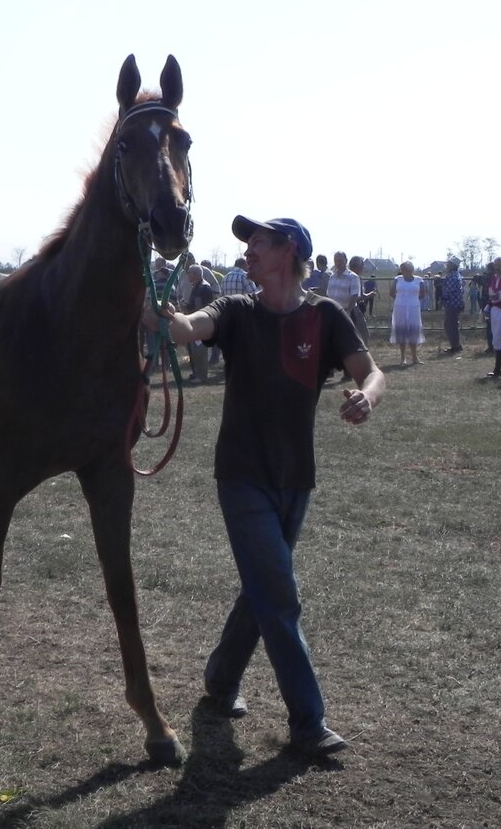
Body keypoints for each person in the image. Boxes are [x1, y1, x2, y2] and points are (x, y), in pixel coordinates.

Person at [146, 214, 384, 757]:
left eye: (259, 241)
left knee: (262, 589)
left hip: (296, 477)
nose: (248, 249)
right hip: (242, 475)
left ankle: (220, 682)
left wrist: (367, 396)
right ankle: (308, 723)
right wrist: (165, 316)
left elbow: (370, 371)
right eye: (247, 241)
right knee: (278, 593)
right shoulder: (236, 309)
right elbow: (190, 327)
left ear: (289, 251)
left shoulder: (325, 316)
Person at [389, 261, 425, 366]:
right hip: (400, 307)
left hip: (414, 307)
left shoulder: (419, 280)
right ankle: (403, 358)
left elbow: (422, 294)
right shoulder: (397, 279)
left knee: (413, 330)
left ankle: (415, 357)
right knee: (402, 331)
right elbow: (391, 292)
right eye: (402, 269)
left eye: (405, 269)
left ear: (410, 269)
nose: (403, 271)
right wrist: (401, 299)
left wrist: (413, 300)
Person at [183, 264, 214, 383]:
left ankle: (202, 376)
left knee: (200, 349)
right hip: (195, 321)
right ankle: (197, 373)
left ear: (195, 274)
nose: (188, 275)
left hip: (201, 322)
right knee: (194, 349)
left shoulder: (204, 287)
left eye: (189, 273)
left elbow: (203, 307)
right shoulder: (196, 286)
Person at [440, 255, 465, 353]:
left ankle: (456, 345)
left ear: (453, 265)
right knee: (452, 324)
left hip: (452, 303)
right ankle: (455, 344)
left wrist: (442, 299)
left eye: (449, 264)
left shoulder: (452, 276)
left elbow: (448, 290)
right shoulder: (457, 275)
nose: (447, 265)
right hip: (455, 303)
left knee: (450, 325)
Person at [323, 251, 360, 316]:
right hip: (333, 312)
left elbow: (354, 296)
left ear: (346, 261)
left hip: (347, 312)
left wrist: (348, 311)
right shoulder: (332, 277)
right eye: (336, 261)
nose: (338, 263)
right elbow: (328, 295)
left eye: (340, 260)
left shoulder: (353, 277)